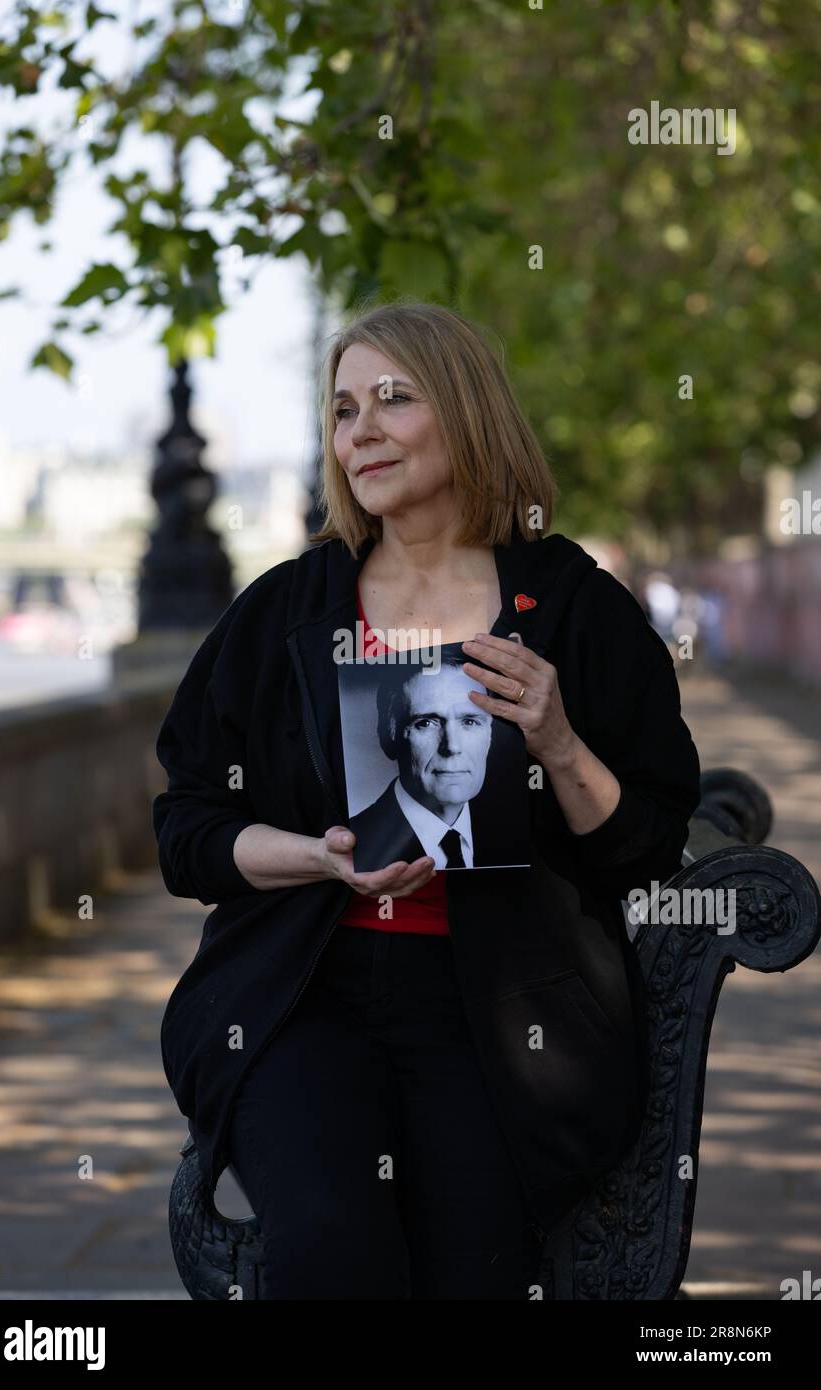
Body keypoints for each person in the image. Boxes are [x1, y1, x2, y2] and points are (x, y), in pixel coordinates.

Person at [153, 300, 701, 1300]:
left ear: (466, 412)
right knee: (328, 1251)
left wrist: (559, 740)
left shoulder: (572, 605)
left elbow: (651, 848)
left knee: (474, 1270)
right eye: (342, 408)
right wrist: (316, 856)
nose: (360, 429)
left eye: (393, 400)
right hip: (302, 994)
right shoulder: (287, 609)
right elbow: (186, 831)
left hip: (502, 1008)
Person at [348, 656, 500, 871]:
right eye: (426, 723)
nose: (452, 746)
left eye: (469, 721)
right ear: (388, 736)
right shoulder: (355, 844)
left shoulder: (510, 834)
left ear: (489, 735)